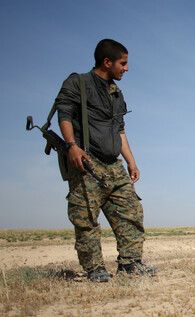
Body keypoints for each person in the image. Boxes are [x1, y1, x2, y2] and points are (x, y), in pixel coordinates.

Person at [54, 39, 157, 282]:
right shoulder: (78, 83)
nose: (127, 68)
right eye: (123, 63)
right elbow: (64, 113)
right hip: (87, 162)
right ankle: (95, 268)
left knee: (131, 211)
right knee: (86, 217)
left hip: (114, 164)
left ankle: (130, 263)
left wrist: (131, 161)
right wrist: (72, 147)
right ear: (107, 62)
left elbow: (120, 130)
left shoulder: (116, 93)